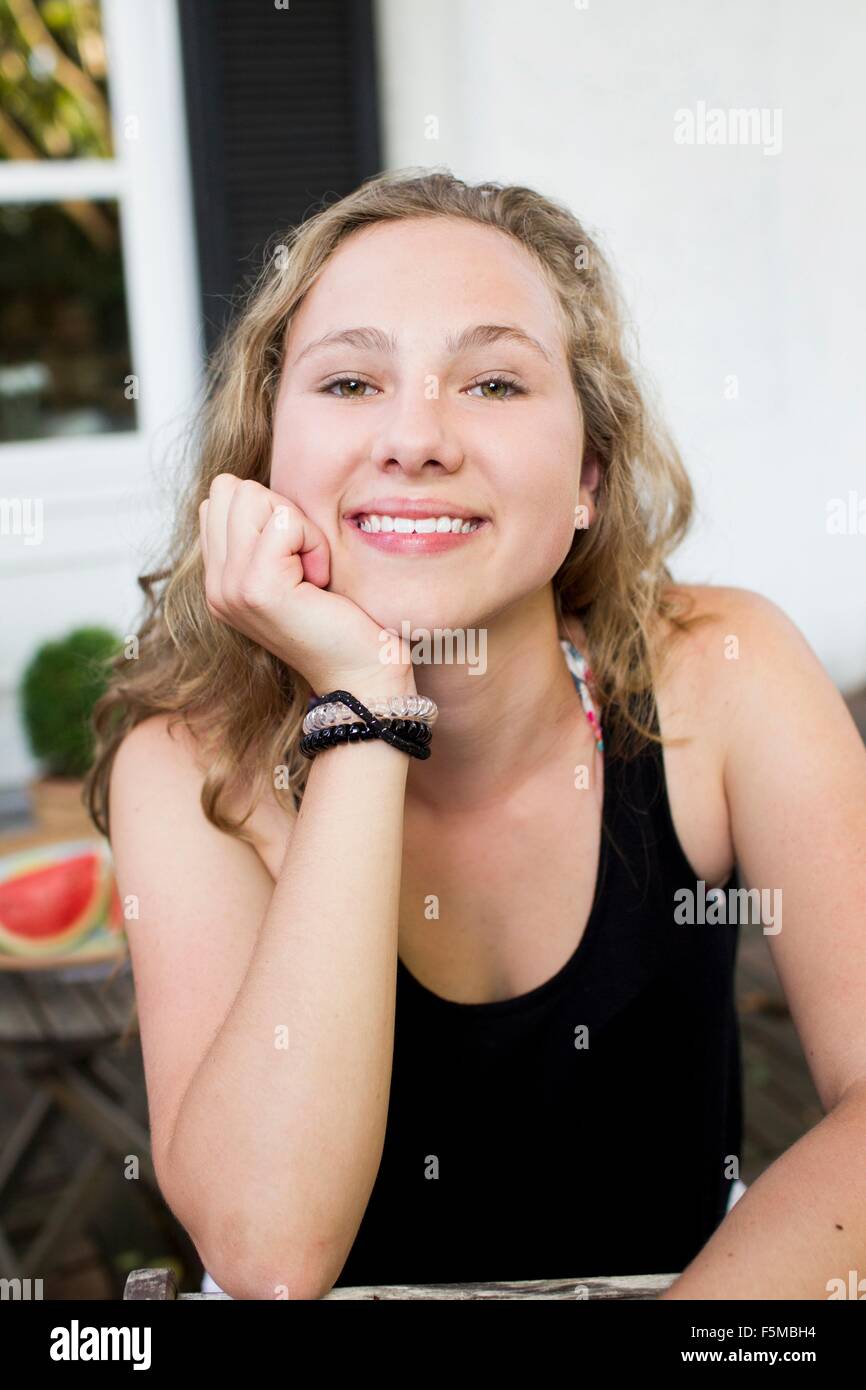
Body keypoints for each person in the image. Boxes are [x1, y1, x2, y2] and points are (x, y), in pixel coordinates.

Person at [85, 168, 866, 1301]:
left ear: (588, 476)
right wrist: (363, 703)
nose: (414, 436)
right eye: (350, 380)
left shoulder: (723, 674)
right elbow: (265, 1255)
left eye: (493, 382)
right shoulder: (191, 762)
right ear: (262, 461)